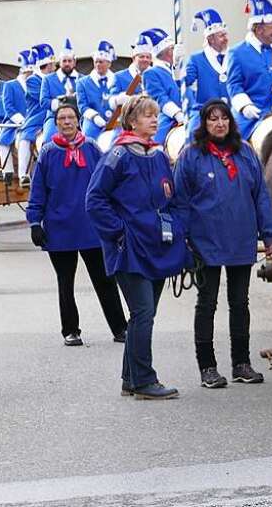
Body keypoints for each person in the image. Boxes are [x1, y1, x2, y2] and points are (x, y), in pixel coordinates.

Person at [85, 95, 189, 400]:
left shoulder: (156, 156)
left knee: (144, 314)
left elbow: (171, 198)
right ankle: (145, 380)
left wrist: (177, 227)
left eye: (156, 115)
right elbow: (94, 200)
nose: (154, 121)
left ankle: (130, 378)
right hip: (128, 248)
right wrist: (118, 231)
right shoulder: (118, 155)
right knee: (143, 312)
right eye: (147, 116)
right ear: (131, 121)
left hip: (156, 246)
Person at [174, 100, 272, 388]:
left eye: (224, 118)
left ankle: (241, 363)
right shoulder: (191, 156)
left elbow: (260, 196)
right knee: (206, 303)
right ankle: (207, 367)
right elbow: (180, 202)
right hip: (203, 242)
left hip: (240, 239)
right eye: (213, 119)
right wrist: (180, 239)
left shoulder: (245, 153)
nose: (219, 124)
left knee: (240, 302)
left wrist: (269, 234)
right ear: (204, 124)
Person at [27, 103, 127, 346]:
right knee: (65, 282)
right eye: (61, 118)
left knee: (105, 280)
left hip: (91, 228)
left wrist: (115, 217)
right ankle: (70, 330)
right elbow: (38, 190)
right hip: (59, 229)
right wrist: (34, 222)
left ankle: (120, 328)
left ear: (78, 121)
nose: (67, 122)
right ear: (56, 123)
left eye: (71, 117)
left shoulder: (92, 148)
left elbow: (108, 184)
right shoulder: (48, 153)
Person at [227, 0, 272, 139]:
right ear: (259, 29)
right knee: (233, 147)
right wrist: (245, 106)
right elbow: (234, 85)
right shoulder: (237, 53)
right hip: (254, 115)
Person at [184, 9, 231, 133]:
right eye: (221, 36)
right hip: (205, 111)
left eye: (226, 34)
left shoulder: (234, 56)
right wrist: (177, 67)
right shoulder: (196, 59)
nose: (225, 38)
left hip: (231, 110)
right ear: (210, 39)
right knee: (192, 133)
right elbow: (185, 81)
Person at [18, 43, 56, 187]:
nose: (55, 66)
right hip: (36, 119)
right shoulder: (32, 81)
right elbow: (44, 99)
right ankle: (24, 175)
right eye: (53, 64)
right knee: (25, 139)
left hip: (53, 118)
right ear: (46, 64)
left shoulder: (54, 79)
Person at [139, 28, 185, 145]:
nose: (175, 51)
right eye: (172, 48)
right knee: (158, 144)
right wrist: (177, 114)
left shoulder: (172, 70)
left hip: (185, 113)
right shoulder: (150, 73)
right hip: (166, 117)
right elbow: (160, 98)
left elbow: (183, 89)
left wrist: (178, 67)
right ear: (165, 52)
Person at [0, 49, 35, 182]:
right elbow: (8, 107)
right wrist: (20, 120)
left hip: (33, 121)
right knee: (4, 140)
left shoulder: (36, 84)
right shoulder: (10, 85)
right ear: (22, 71)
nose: (29, 74)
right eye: (27, 72)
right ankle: (7, 170)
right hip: (14, 121)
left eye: (31, 72)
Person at [77, 41, 127, 140]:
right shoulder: (82, 82)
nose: (98, 65)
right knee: (88, 139)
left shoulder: (118, 79)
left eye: (101, 62)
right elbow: (82, 106)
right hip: (92, 120)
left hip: (115, 120)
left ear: (109, 63)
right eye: (96, 62)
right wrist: (94, 117)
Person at [40, 39, 80, 142]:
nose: (67, 64)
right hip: (54, 119)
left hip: (78, 118)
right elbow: (43, 102)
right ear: (60, 62)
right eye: (64, 61)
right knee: (48, 139)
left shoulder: (82, 79)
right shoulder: (48, 79)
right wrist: (64, 101)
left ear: (74, 62)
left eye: (70, 61)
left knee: (89, 139)